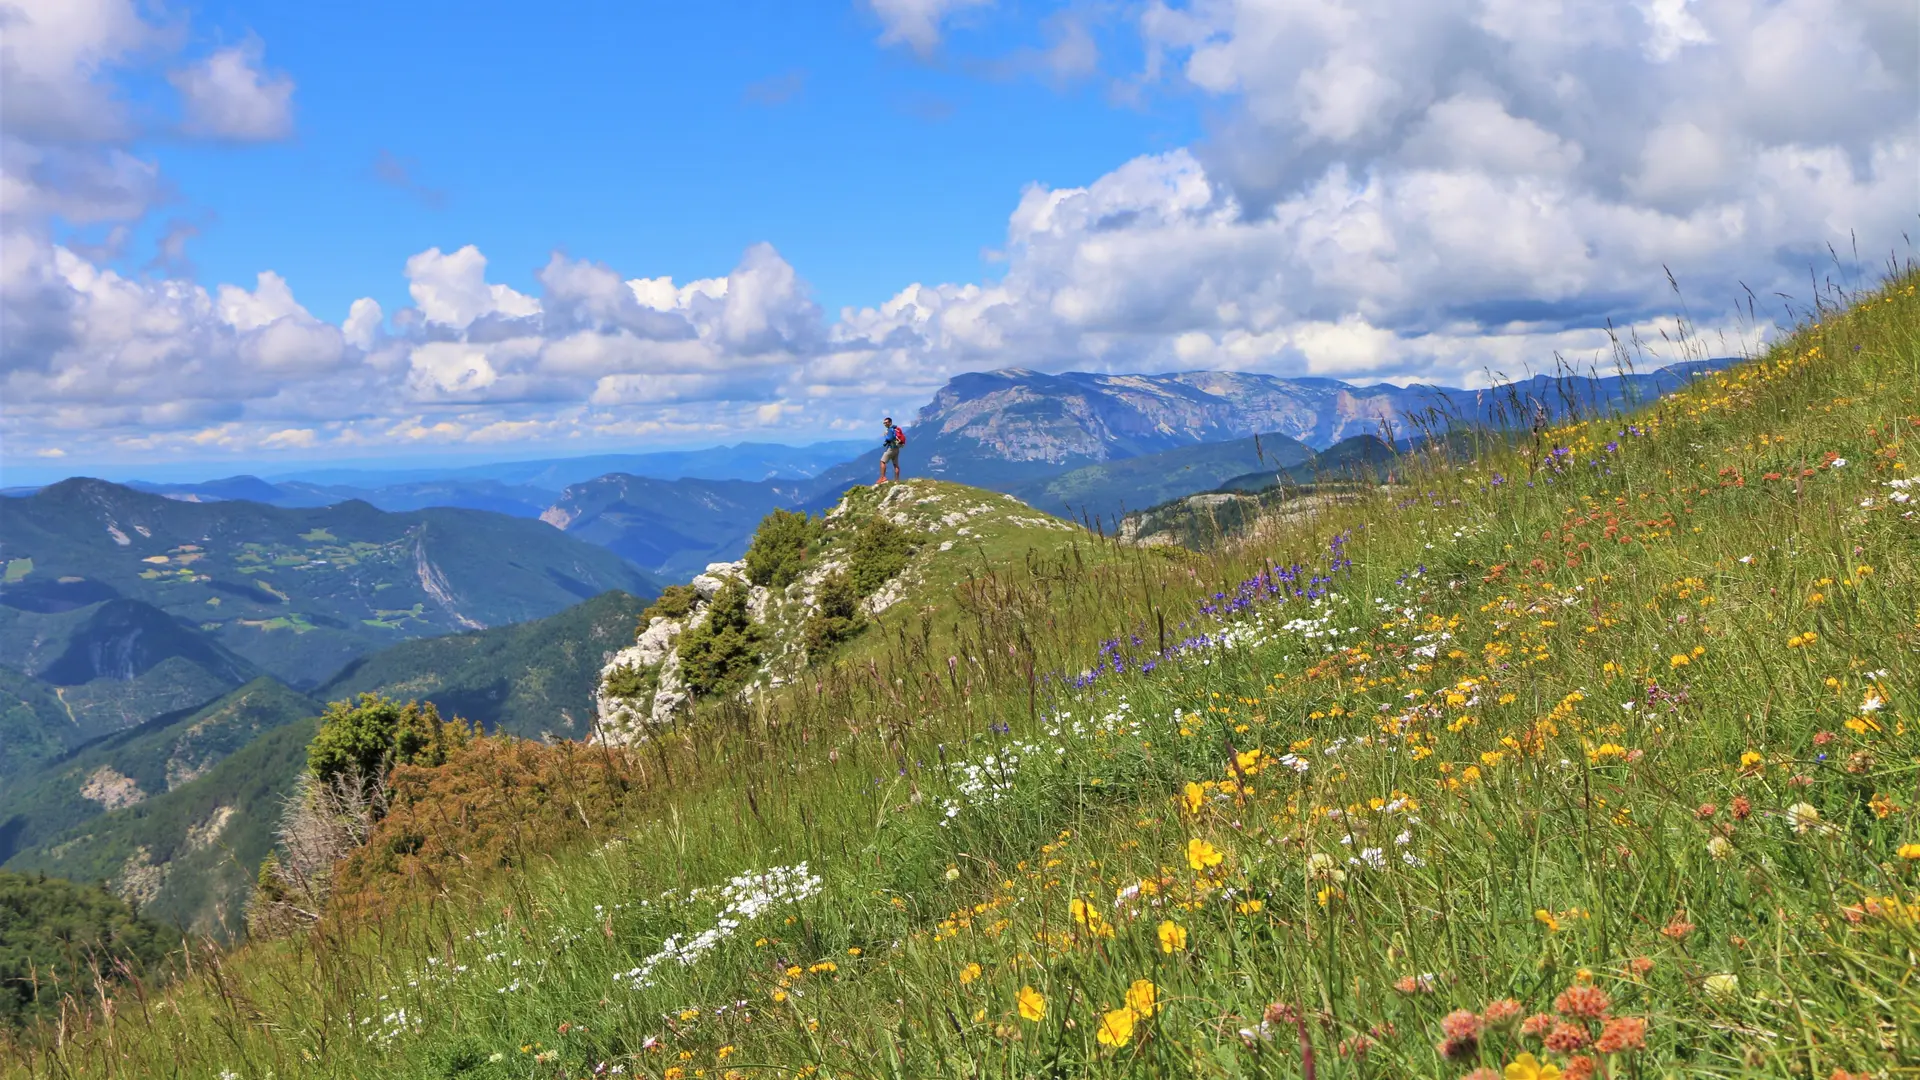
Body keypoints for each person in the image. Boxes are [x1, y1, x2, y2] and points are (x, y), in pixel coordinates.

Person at [876, 416, 904, 485]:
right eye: (884, 423)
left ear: (890, 422)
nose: (885, 424)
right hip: (897, 448)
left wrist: (885, 435)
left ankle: (883, 478)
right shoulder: (896, 429)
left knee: (882, 461)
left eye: (886, 422)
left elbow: (890, 438)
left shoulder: (890, 430)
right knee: (896, 465)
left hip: (891, 448)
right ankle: (897, 481)